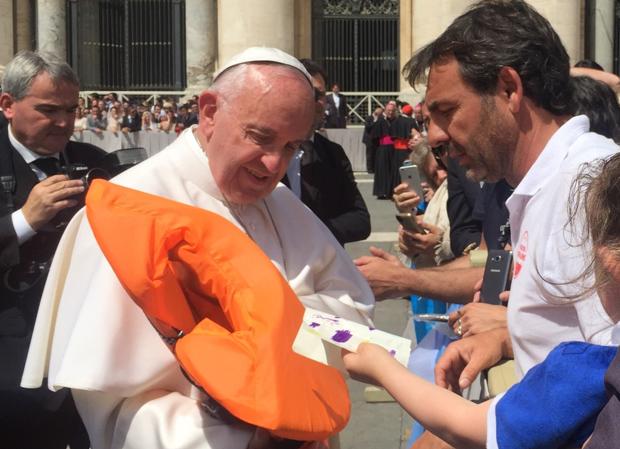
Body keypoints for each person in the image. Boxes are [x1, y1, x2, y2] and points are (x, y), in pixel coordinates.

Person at [21, 47, 375, 449]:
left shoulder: (285, 206)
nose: (275, 164)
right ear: (209, 113)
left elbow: (355, 322)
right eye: (261, 137)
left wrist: (277, 324)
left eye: (293, 147)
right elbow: (112, 403)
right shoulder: (128, 209)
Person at [344, 152, 620, 449]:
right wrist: (506, 338)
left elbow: (470, 424)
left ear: (607, 259)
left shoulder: (587, 369)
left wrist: (382, 368)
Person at [0, 50, 105, 449]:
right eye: (47, 110)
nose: (63, 122)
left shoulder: (95, 164)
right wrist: (26, 219)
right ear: (7, 105)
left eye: (70, 109)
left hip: (81, 357)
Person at [282, 59, 370, 246]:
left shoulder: (333, 153)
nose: (318, 102)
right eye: (310, 92)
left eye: (321, 94)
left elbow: (361, 220)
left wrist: (314, 231)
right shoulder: (262, 151)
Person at [362, 106, 383, 173]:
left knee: (376, 154)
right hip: (369, 140)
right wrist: (374, 121)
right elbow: (368, 127)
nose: (380, 114)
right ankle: (370, 169)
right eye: (379, 112)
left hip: (376, 139)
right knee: (370, 155)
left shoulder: (380, 118)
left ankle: (375, 168)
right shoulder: (369, 118)